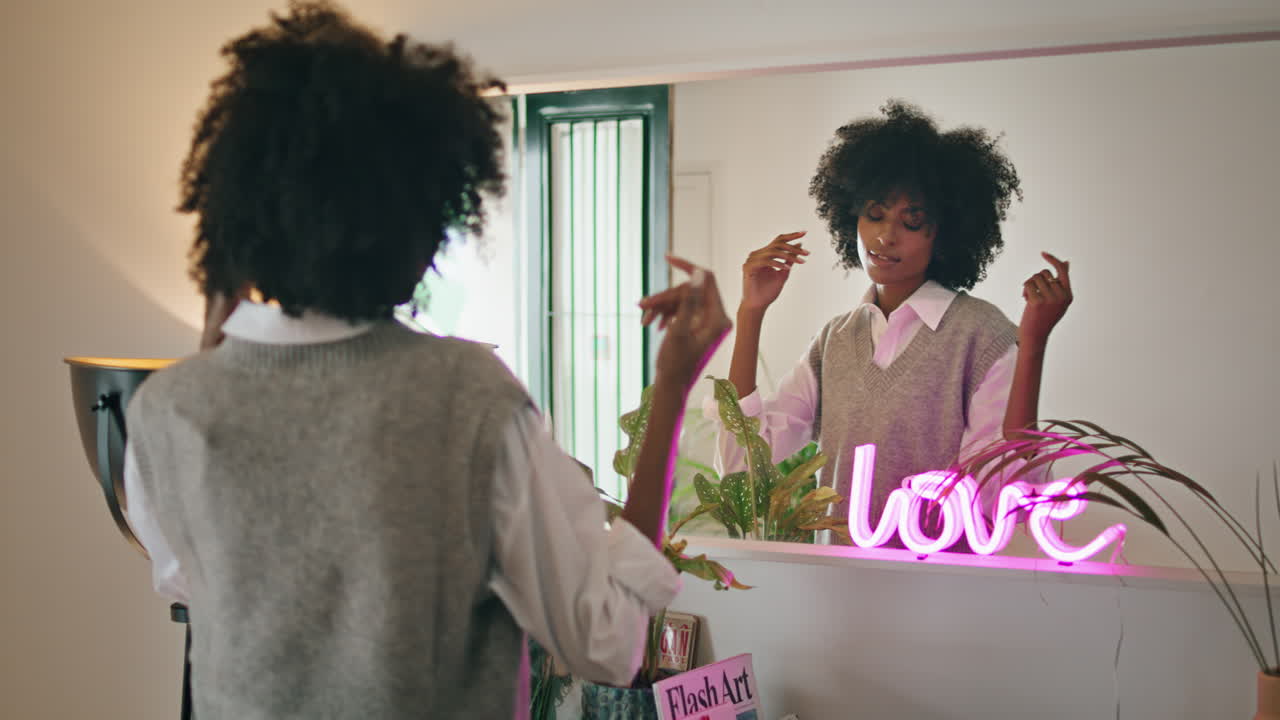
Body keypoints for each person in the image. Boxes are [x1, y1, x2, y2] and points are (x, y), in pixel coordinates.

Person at [122, 3, 731, 718]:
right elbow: (606, 642)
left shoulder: (167, 410)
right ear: (418, 218)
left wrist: (217, 326)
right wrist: (672, 389)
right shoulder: (465, 400)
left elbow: (201, 589)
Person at [703, 100, 1072, 542]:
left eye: (911, 221)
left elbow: (1003, 493)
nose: (885, 236)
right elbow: (741, 465)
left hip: (937, 576)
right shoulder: (835, 340)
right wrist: (751, 313)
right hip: (836, 576)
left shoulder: (982, 335)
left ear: (946, 233)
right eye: (874, 214)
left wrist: (1033, 346)